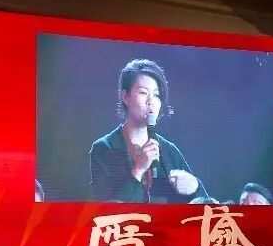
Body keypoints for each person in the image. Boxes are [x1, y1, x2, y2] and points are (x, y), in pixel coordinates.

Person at [88, 59, 208, 203]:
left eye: (156, 95)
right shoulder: (104, 148)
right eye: (143, 93)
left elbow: (205, 205)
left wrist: (195, 186)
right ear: (125, 97)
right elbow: (105, 209)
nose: (151, 101)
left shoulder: (169, 151)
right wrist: (139, 169)